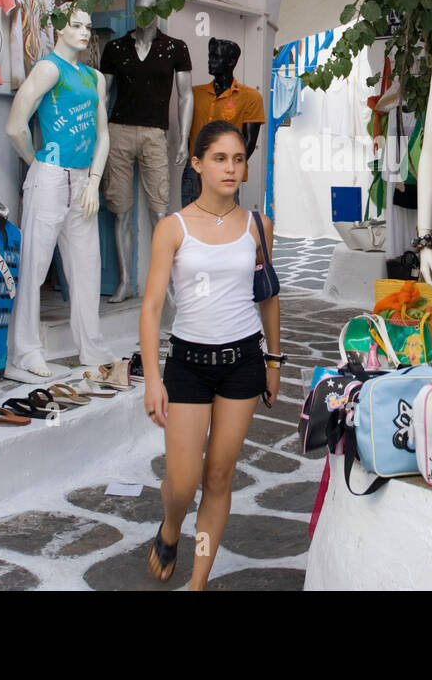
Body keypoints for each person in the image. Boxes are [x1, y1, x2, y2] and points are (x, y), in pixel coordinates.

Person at [139, 120, 283, 589]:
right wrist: (153, 380)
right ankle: (170, 525)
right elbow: (152, 306)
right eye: (220, 158)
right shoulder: (172, 228)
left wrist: (274, 361)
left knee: (219, 478)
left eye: (239, 159)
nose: (231, 168)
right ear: (197, 163)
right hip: (188, 366)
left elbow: (267, 295)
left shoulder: (260, 226)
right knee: (181, 484)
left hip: (242, 362)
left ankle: (198, 580)